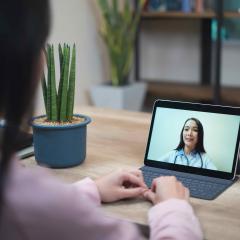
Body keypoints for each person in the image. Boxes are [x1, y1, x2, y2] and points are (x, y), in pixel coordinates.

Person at [0, 1, 203, 239]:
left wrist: (92, 189)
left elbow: (39, 203)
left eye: (193, 130)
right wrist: (174, 207)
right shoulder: (20, 199)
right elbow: (39, 205)